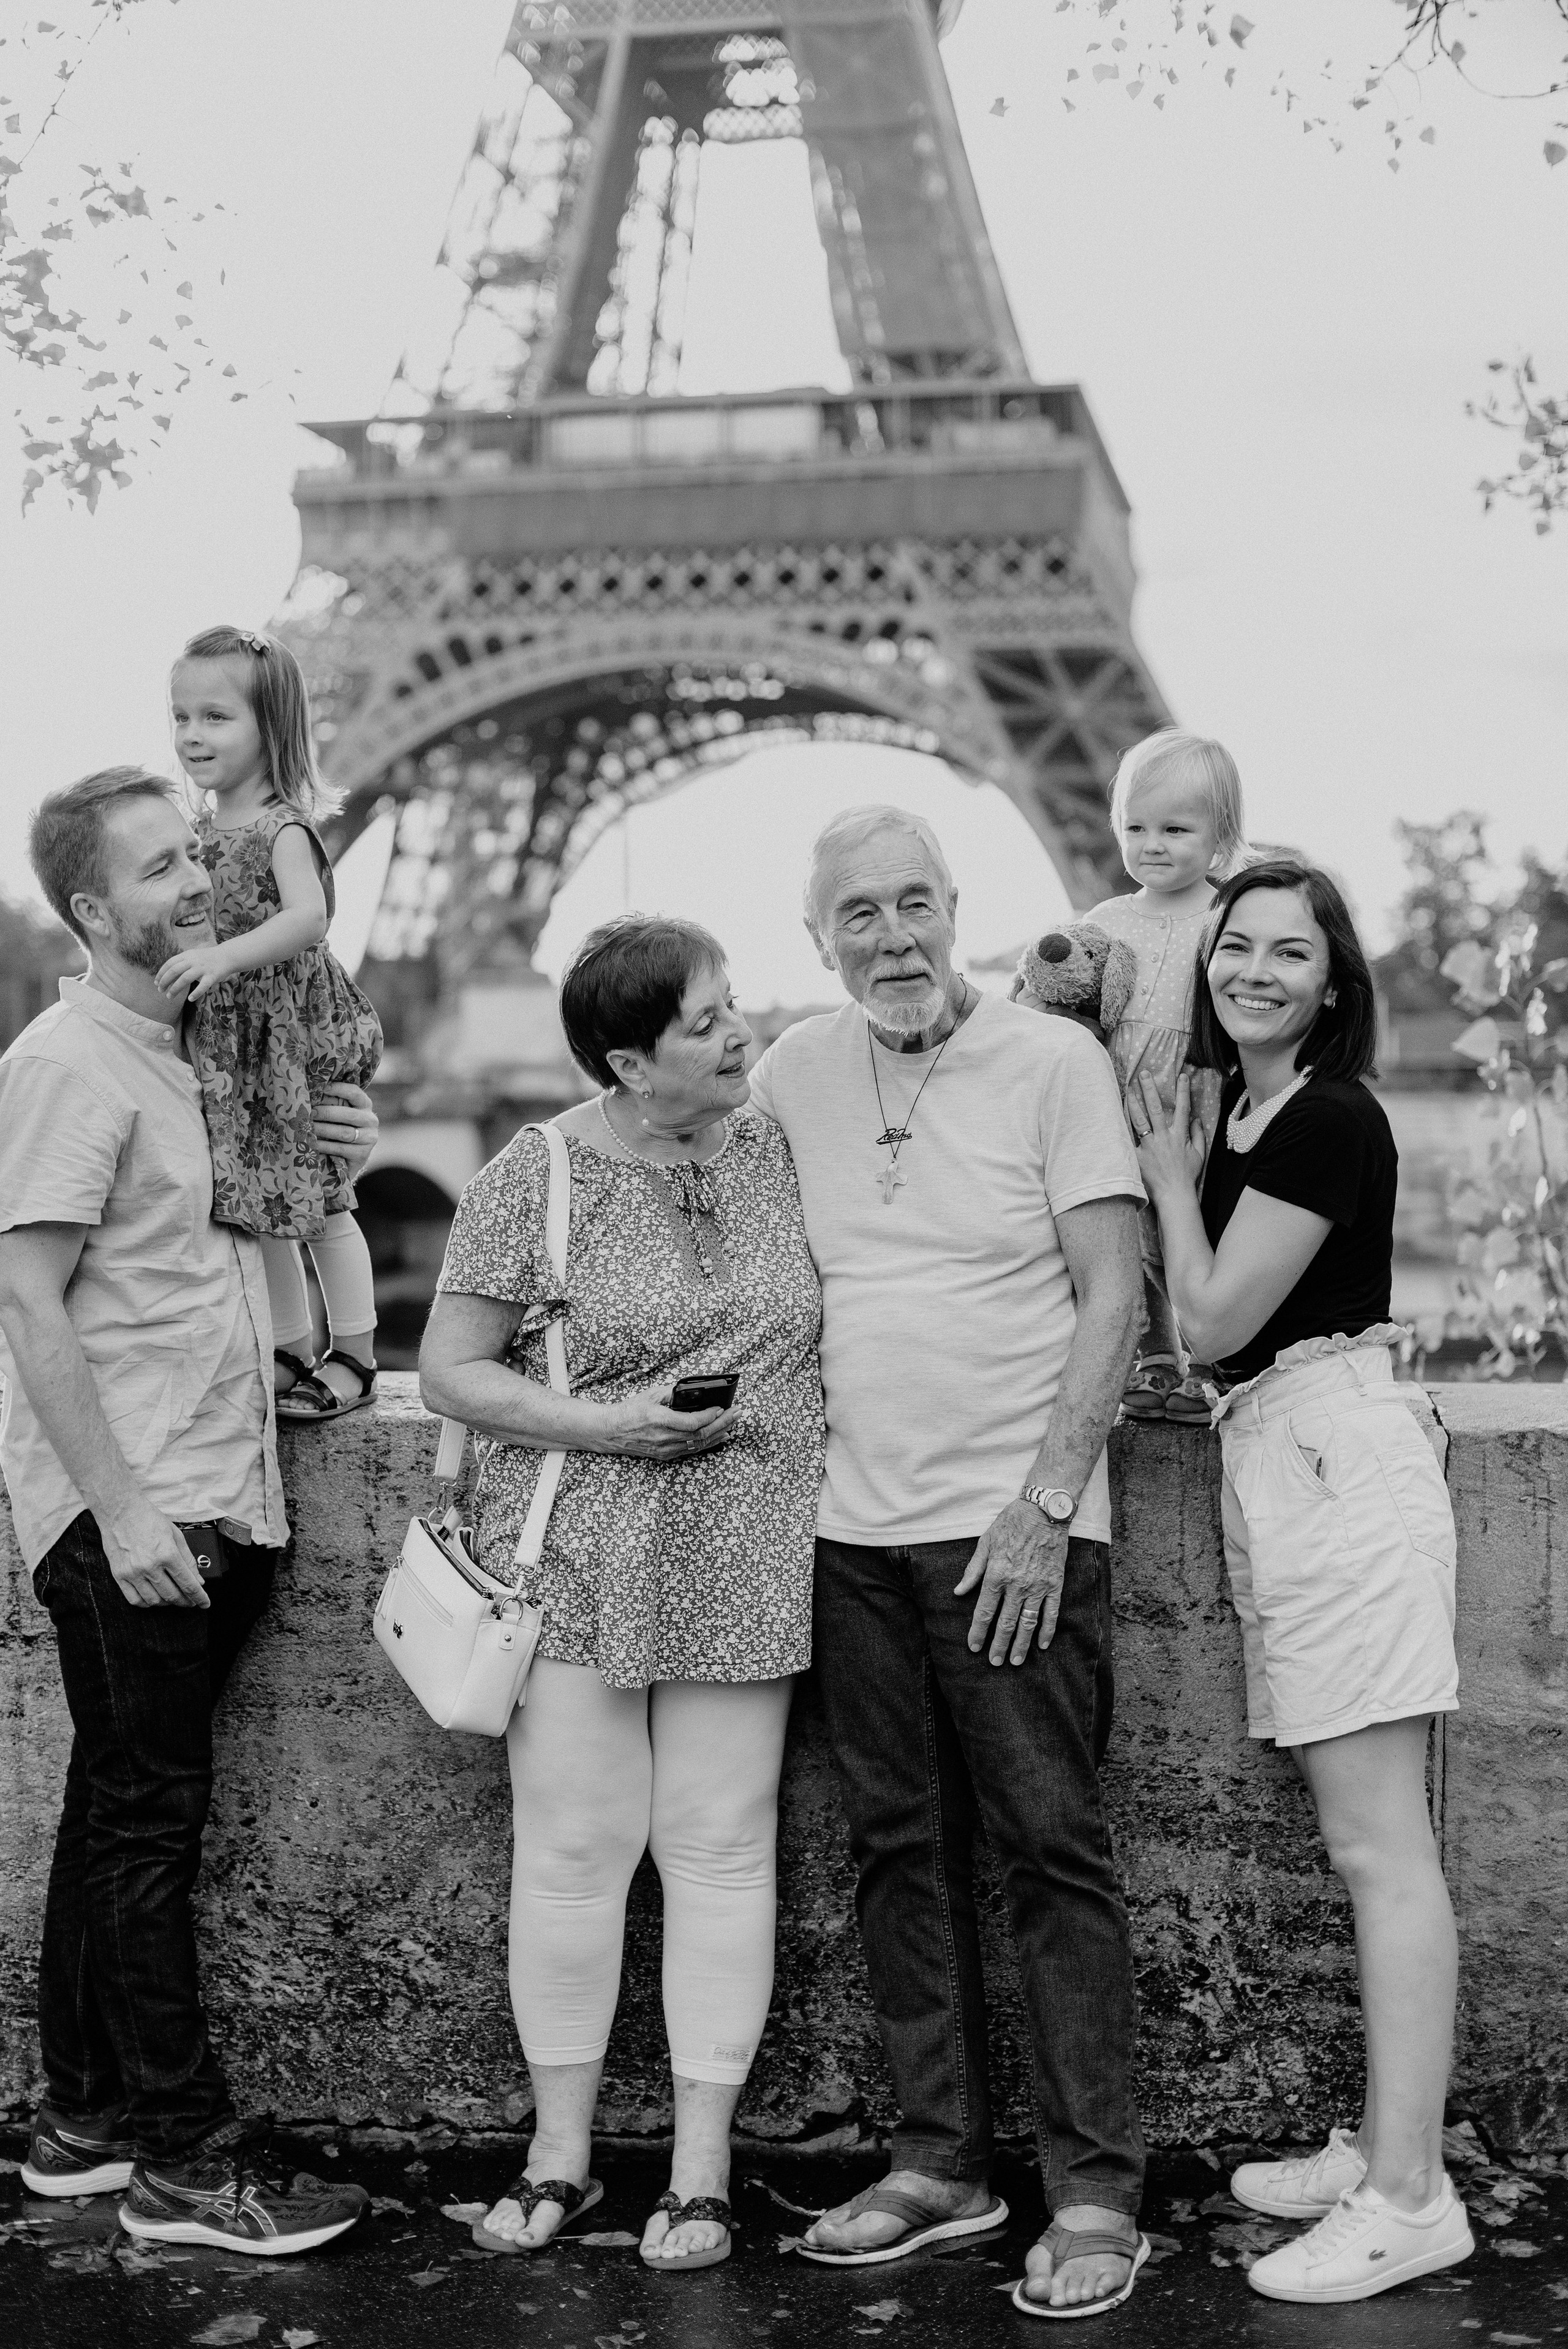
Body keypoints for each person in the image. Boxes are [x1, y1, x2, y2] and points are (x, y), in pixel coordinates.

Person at [747, 805, 1152, 2320]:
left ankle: (1097, 2184)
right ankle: (940, 2158)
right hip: (846, 1530)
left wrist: (1045, 1501)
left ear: (955, 906)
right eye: (858, 913)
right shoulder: (791, 1065)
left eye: (914, 902)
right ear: (818, 936)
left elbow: (1112, 1291)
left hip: (1011, 1530)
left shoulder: (1051, 1066)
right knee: (893, 1851)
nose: (892, 937)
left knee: (1052, 1849)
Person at [0, 767, 380, 2255]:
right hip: (139, 1506)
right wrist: (122, 1509)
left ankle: (84, 2120)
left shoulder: (198, 1046)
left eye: (200, 856)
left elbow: (217, 1250)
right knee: (151, 1826)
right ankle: (182, 2159)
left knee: (115, 1809)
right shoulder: (66, 1063)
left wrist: (332, 1162)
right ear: (93, 909)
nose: (198, 885)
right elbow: (27, 1297)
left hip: (219, 1477)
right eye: (160, 868)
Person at [419, 914, 823, 2275]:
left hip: (747, 1538)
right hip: (586, 1544)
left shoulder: (776, 1142)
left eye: (731, 1003)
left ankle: (700, 2171)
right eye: (706, 1020)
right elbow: (449, 1370)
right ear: (626, 1060)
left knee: (719, 1844)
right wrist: (605, 1429)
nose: (737, 1030)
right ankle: (559, 2154)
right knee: (577, 1849)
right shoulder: (533, 1175)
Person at [1131, 857, 1471, 2306]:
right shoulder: (1255, 1113)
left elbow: (1205, 1316)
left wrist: (1161, 1164)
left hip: (1333, 1457)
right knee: (1354, 1841)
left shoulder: (1325, 1116)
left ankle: (1406, 2193)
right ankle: (1378, 2147)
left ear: (1332, 982)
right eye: (1233, 946)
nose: (1252, 970)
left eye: (1288, 950)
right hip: (1287, 1459)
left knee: (1379, 1846)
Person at [164, 625, 383, 1426]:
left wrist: (222, 960)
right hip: (240, 1051)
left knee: (325, 1204)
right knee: (260, 1211)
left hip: (289, 1042)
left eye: (215, 716)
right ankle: (291, 1345)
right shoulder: (199, 833)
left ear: (272, 727)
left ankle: (356, 1352)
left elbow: (309, 917)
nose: (192, 734)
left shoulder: (281, 827)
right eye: (181, 716)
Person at [1071, 728, 1245, 1425]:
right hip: (1119, 1101)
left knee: (1199, 1226)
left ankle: (1207, 1360)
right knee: (1126, 1232)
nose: (1153, 844)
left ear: (1219, 836)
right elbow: (1075, 1006)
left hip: (1198, 1097)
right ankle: (1152, 1357)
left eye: (1175, 828)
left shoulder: (1226, 913)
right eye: (1135, 827)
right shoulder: (1105, 920)